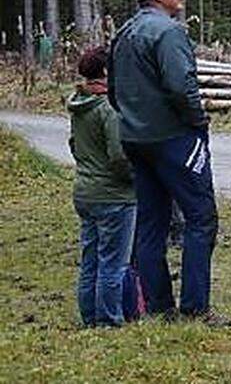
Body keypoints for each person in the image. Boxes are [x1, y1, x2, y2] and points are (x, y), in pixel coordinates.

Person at [108, 0, 226, 326]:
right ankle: (195, 307)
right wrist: (197, 121)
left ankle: (159, 306)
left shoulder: (124, 33)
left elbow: (113, 91)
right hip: (175, 138)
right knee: (201, 217)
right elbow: (180, 85)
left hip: (135, 140)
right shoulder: (169, 32)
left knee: (151, 223)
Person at [69, 45, 136, 327]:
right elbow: (119, 156)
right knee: (113, 263)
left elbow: (74, 145)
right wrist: (136, 178)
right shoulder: (108, 108)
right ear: (107, 72)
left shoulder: (78, 104)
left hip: (85, 192)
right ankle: (108, 319)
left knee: (90, 259)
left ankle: (90, 316)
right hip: (114, 196)